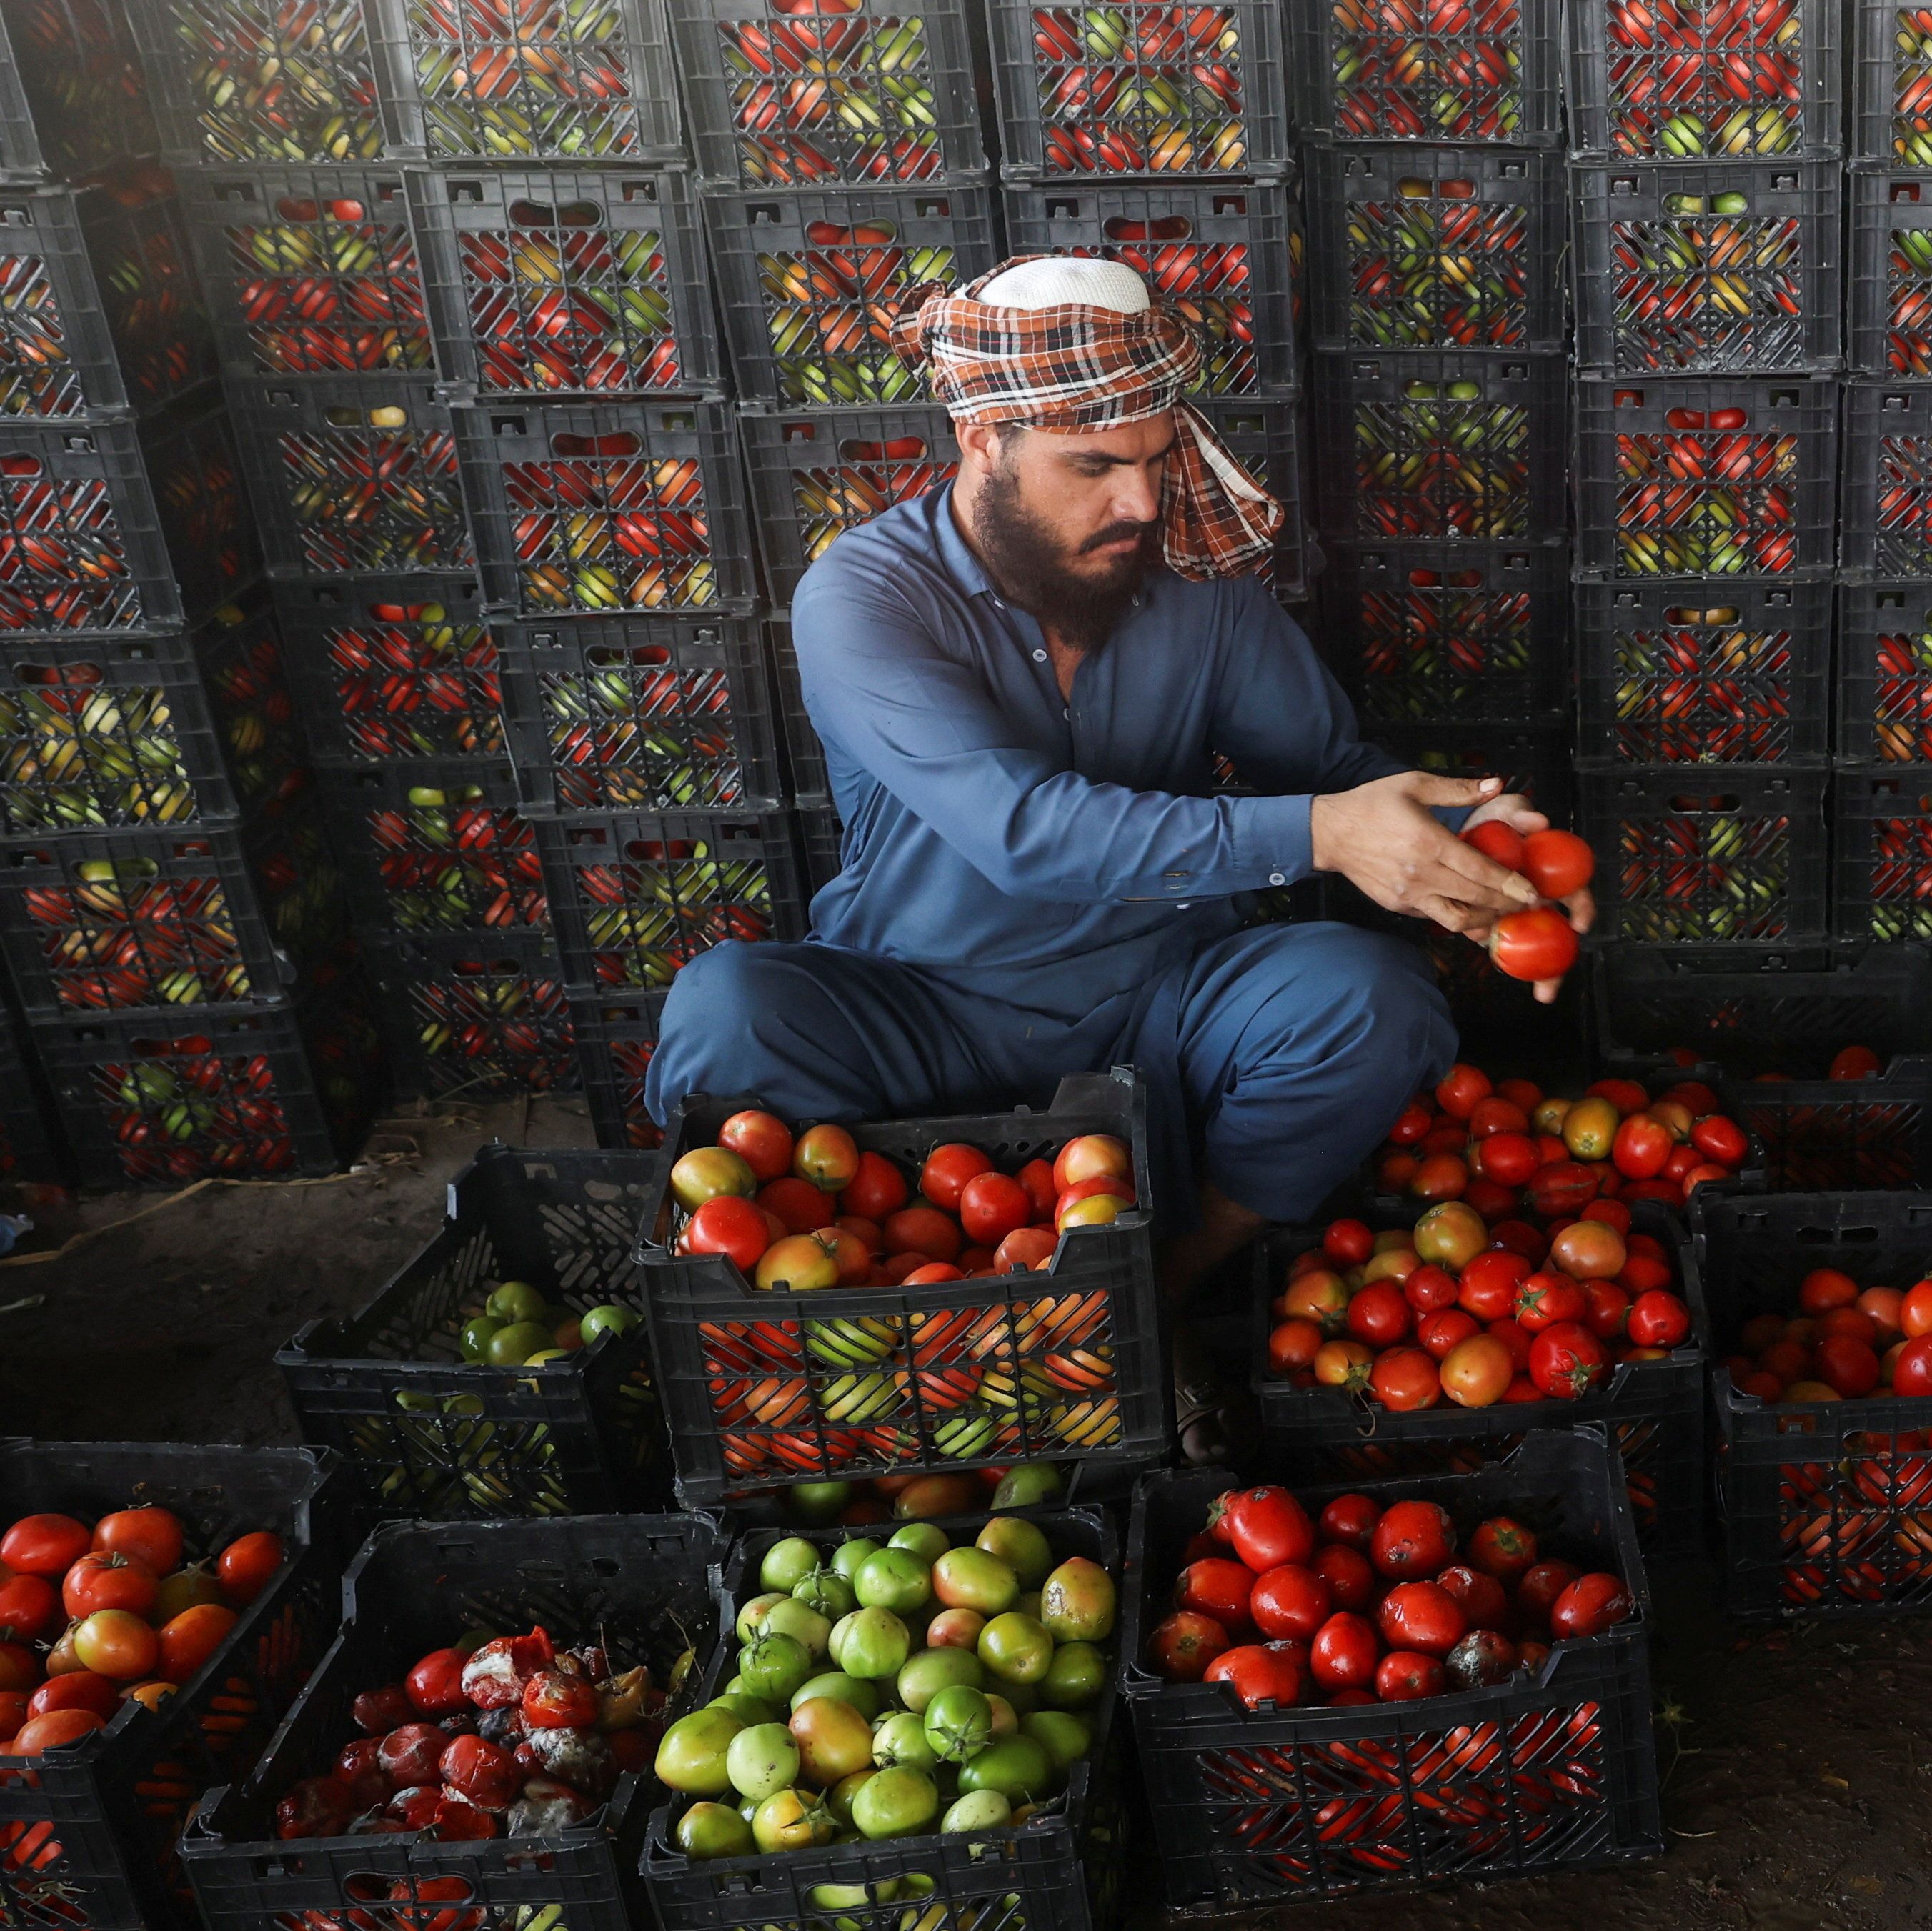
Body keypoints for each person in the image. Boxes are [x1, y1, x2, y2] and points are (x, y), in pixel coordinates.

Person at [648, 256, 1586, 1396]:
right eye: (1092, 466)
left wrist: (1491, 854)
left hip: (1162, 1000)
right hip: (924, 1002)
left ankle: (1151, 1289)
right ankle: (886, 1333)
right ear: (982, 443)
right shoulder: (865, 596)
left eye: (1151, 462)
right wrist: (1326, 835)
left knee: (1369, 997)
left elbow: (1335, 771)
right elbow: (1022, 830)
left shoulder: (1197, 585)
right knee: (725, 1009)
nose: (1138, 505)